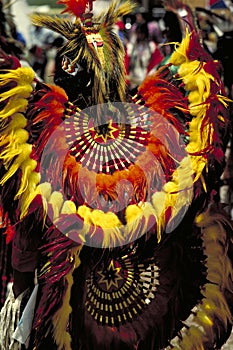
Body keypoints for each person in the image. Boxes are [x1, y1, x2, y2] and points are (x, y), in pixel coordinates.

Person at [0, 0, 233, 349]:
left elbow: (26, 243)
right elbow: (194, 203)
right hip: (148, 306)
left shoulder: (47, 136)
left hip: (73, 311)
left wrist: (20, 296)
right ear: (117, 72)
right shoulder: (156, 126)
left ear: (64, 79)